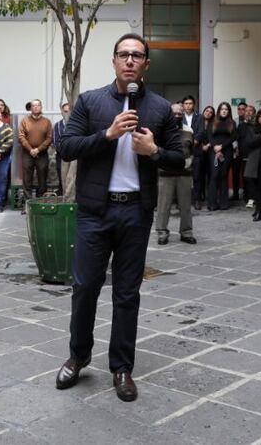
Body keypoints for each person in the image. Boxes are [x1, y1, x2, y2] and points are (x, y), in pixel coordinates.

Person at [54, 33, 183, 402]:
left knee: (128, 294)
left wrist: (154, 150)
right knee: (85, 288)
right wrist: (107, 134)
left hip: (135, 213)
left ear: (146, 64)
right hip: (95, 212)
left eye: (137, 55)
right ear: (113, 61)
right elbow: (65, 148)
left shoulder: (160, 108)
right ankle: (78, 356)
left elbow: (179, 158)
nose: (129, 61)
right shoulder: (91, 101)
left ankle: (122, 367)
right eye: (123, 54)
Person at [155, 104, 196, 244]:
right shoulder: (161, 130)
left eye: (180, 113)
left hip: (185, 173)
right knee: (163, 205)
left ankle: (186, 232)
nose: (177, 115)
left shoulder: (189, 130)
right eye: (175, 113)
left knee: (185, 205)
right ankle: (161, 232)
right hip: (166, 173)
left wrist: (189, 161)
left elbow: (192, 151)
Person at [19, 99, 53, 203]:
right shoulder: (25, 121)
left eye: (38, 105)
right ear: (30, 108)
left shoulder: (47, 122)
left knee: (42, 179)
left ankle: (41, 202)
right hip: (27, 153)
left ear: (41, 107)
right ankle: (27, 204)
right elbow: (21, 136)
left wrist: (38, 149)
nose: (36, 107)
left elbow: (49, 138)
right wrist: (30, 149)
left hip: (42, 153)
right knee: (27, 180)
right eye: (33, 105)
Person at [207, 102, 237, 211]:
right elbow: (209, 135)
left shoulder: (232, 123)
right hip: (213, 152)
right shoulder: (213, 122)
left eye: (226, 109)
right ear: (219, 110)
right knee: (214, 175)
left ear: (229, 111)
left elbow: (234, 137)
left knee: (223, 175)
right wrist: (215, 147)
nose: (224, 111)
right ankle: (212, 204)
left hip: (227, 151)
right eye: (222, 109)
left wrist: (222, 146)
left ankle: (224, 203)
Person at [193, 105, 214, 208]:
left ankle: (206, 196)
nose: (208, 113)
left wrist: (208, 145)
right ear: (204, 111)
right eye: (207, 111)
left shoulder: (214, 123)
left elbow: (215, 137)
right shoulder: (197, 120)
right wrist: (202, 146)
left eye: (211, 112)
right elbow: (194, 134)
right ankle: (197, 199)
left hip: (210, 152)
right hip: (198, 151)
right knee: (197, 175)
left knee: (208, 175)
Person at [54, 102, 71, 197]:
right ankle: (62, 195)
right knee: (61, 175)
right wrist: (64, 151)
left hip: (74, 156)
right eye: (65, 111)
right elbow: (56, 141)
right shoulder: (57, 125)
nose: (67, 113)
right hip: (61, 155)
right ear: (61, 112)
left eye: (69, 111)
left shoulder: (76, 124)